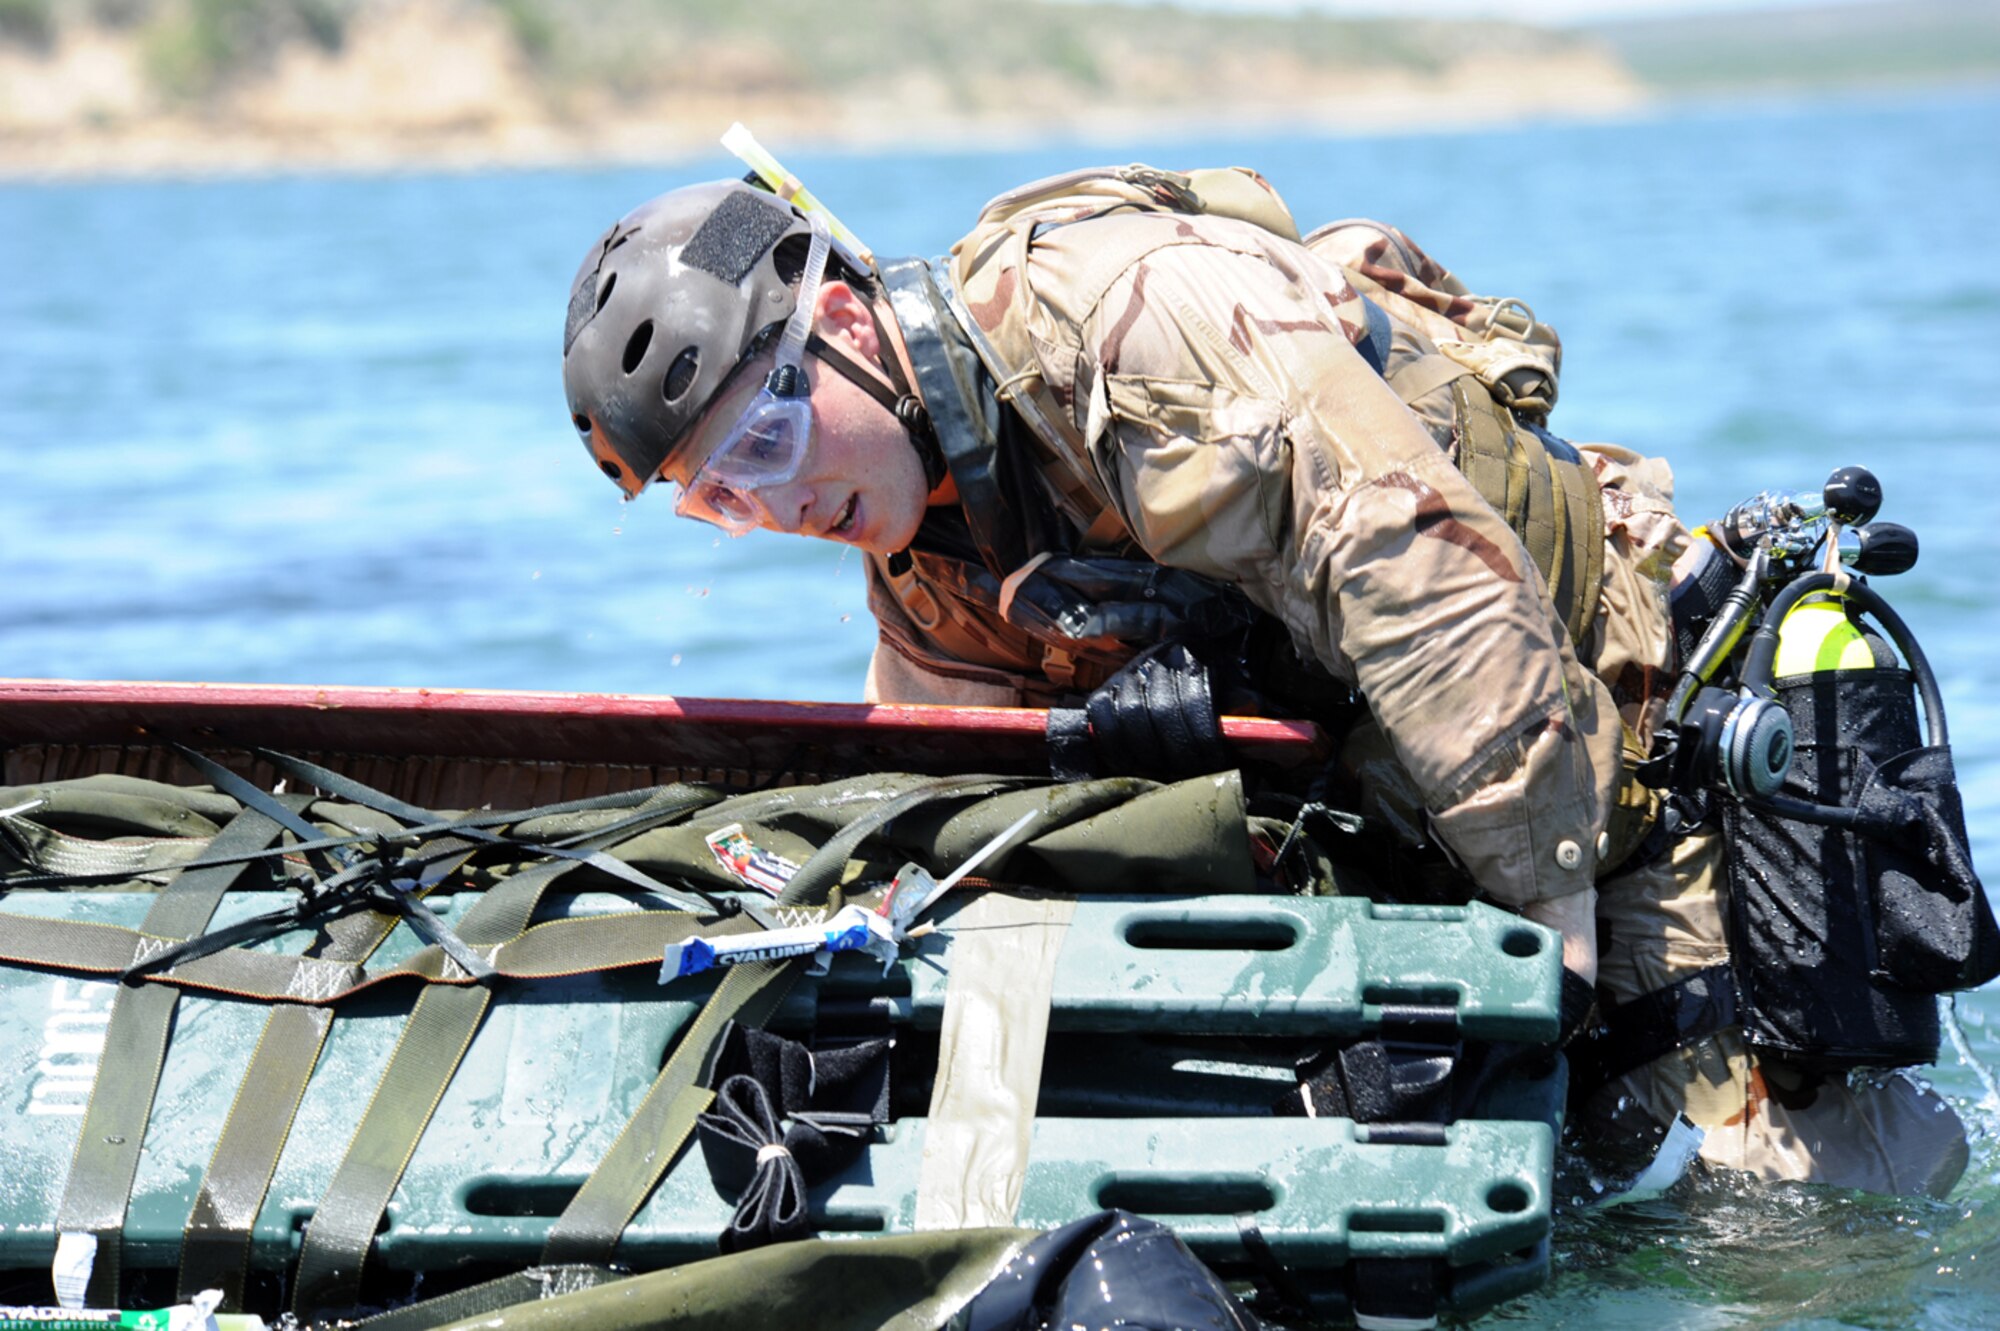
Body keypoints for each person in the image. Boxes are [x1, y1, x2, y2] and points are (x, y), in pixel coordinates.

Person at [559, 166, 1970, 1196]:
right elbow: (954, 808)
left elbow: (1426, 583)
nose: (768, 508)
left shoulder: (1121, 320)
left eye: (759, 447)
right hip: (1389, 819)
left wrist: (1538, 961)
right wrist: (1113, 787)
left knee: (1778, 1208)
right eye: (715, 501)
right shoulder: (927, 543)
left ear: (847, 331)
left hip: (1612, 762)